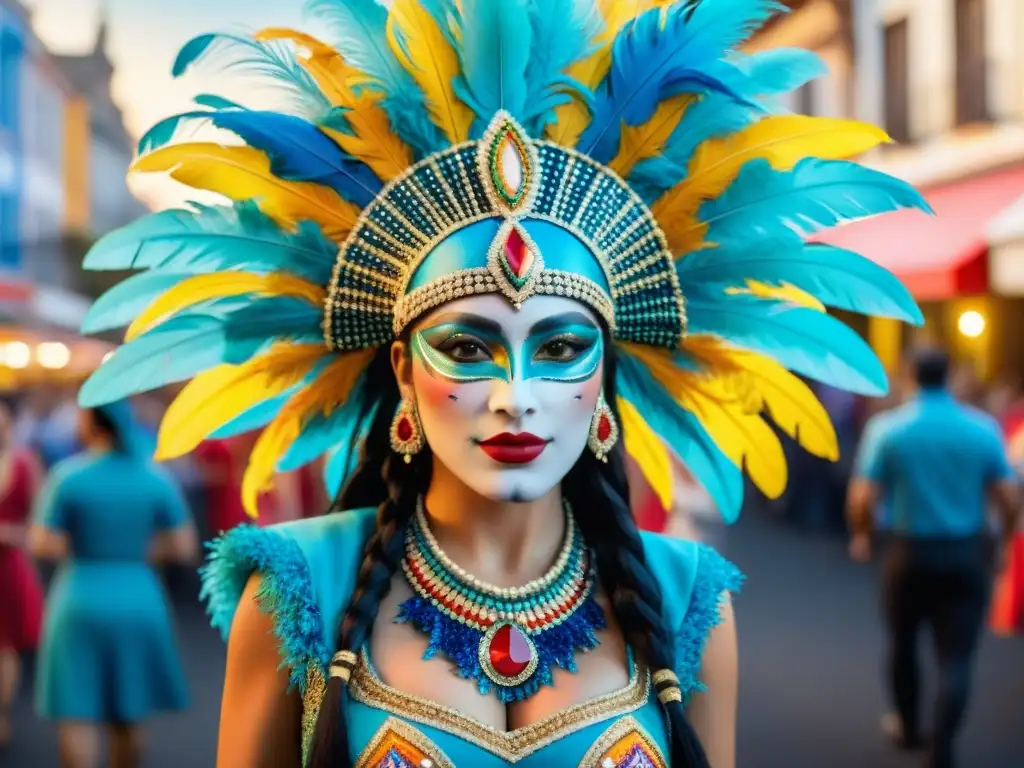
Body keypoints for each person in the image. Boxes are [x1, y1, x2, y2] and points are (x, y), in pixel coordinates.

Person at [76, 1, 925, 764]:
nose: (515, 395)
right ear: (403, 370)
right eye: (469, 348)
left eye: (558, 351)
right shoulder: (298, 593)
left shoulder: (689, 599)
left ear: (605, 384)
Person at [847, 348, 1021, 768]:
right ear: (951, 376)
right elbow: (1008, 496)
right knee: (956, 655)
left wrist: (864, 535)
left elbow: (862, 496)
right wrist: (1002, 542)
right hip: (965, 553)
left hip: (909, 551)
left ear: (909, 376)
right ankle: (942, 747)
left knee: (904, 643)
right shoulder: (981, 429)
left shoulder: (889, 428)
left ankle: (908, 727)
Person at [29, 401, 197, 768]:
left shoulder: (67, 476)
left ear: (91, 421)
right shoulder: (154, 476)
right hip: (138, 594)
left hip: (80, 594)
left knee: (76, 713)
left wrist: (88, 543)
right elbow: (182, 545)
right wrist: (133, 548)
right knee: (129, 712)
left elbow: (45, 543)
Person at [0, 401, 44, 748]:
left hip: (9, 565)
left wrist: (17, 534)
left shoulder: (24, 463)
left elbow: (40, 520)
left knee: (6, 645)